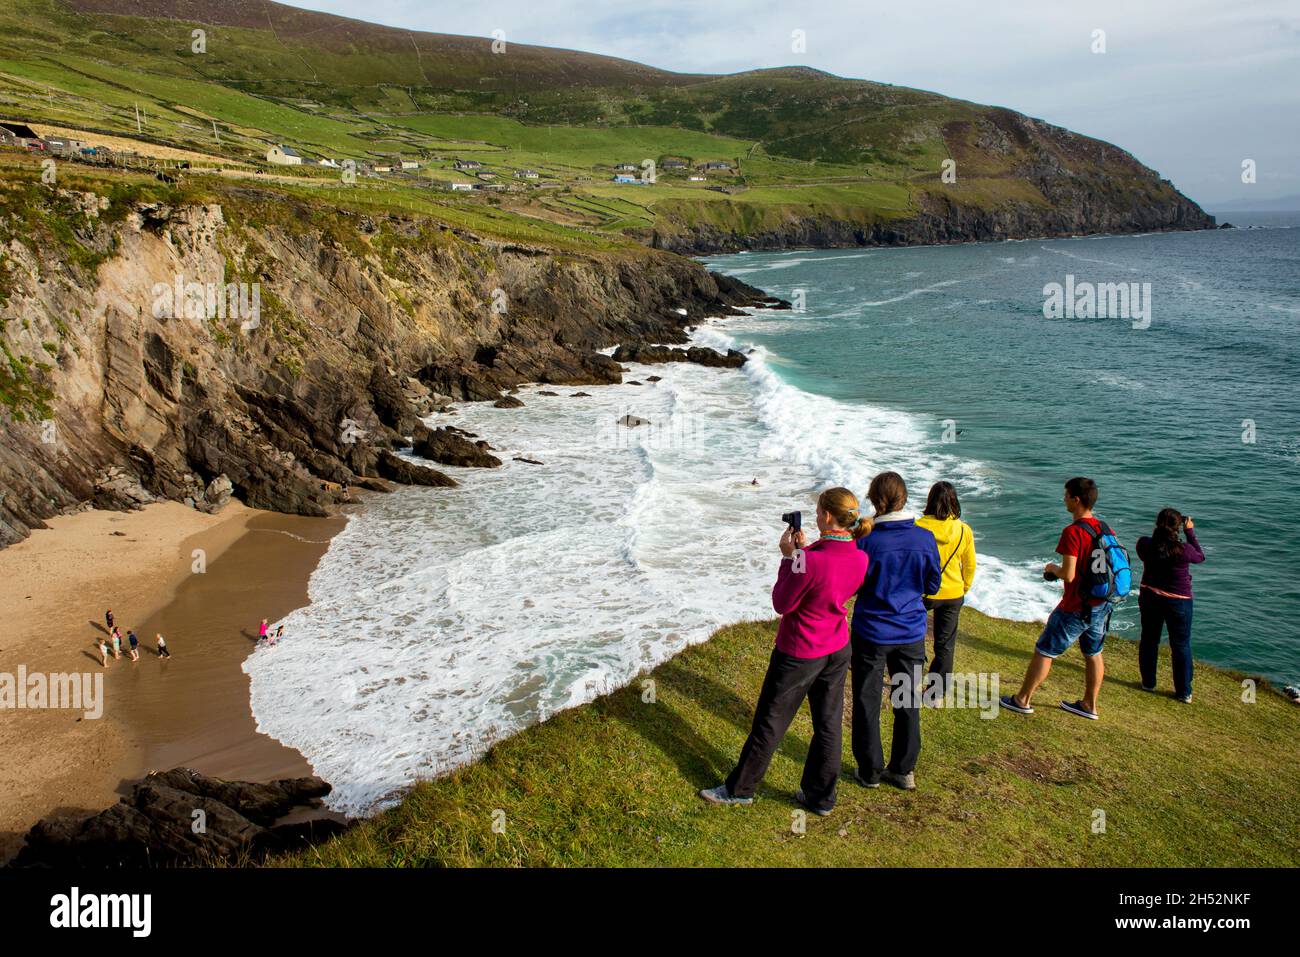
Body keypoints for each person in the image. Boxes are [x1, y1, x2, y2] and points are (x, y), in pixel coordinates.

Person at [700, 488, 871, 815]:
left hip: (801, 650)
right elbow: (830, 576)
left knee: (770, 722)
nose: (817, 514)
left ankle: (740, 789)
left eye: (819, 509)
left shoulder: (809, 562)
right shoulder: (859, 556)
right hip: (836, 646)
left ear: (826, 517)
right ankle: (821, 797)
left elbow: (782, 602)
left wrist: (789, 557)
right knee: (828, 724)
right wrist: (804, 552)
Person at [849, 472, 941, 791]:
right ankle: (903, 769)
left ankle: (870, 770)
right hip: (910, 631)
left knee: (866, 700)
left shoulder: (867, 540)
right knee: (906, 700)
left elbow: (854, 584)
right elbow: (933, 585)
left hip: (871, 631)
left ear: (875, 500)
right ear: (904, 498)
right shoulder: (924, 538)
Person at [1001, 477, 1116, 721]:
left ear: (1076, 500)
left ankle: (1022, 700)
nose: (1063, 499)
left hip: (1076, 606)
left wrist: (1052, 568)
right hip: (1101, 604)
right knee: (1094, 653)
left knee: (1045, 650)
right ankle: (1089, 705)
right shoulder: (1104, 528)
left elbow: (1069, 574)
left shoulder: (1072, 532)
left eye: (1066, 496)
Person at [1136, 510, 1204, 703]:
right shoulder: (1184, 550)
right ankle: (1184, 692)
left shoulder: (1144, 544)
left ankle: (1148, 683)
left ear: (1157, 524)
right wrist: (1190, 532)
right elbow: (1200, 556)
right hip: (1179, 600)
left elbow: (1151, 549)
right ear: (1178, 526)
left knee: (1149, 640)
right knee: (1180, 645)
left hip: (1150, 595)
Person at [916, 481, 977, 693]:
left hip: (922, 591)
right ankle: (936, 692)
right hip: (953, 592)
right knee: (945, 644)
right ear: (954, 502)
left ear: (930, 501)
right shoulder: (963, 530)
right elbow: (969, 565)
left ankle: (910, 680)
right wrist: (964, 588)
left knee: (916, 636)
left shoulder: (918, 527)